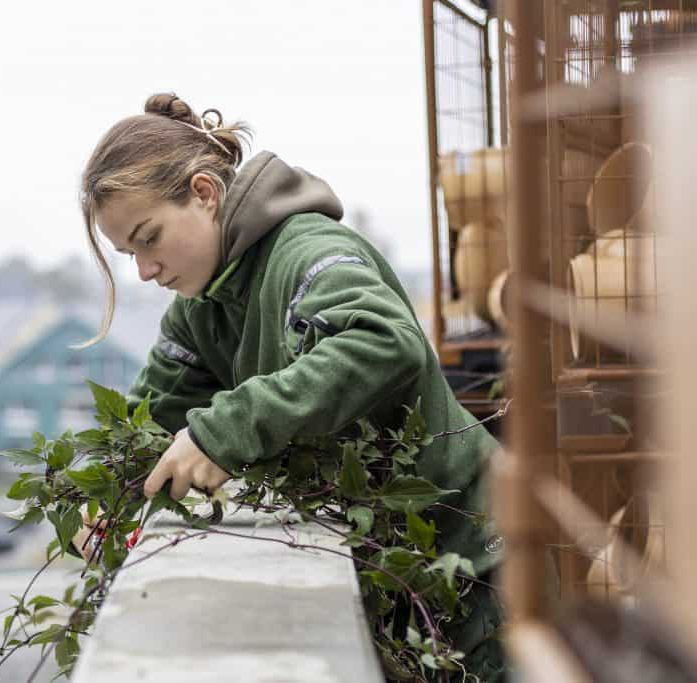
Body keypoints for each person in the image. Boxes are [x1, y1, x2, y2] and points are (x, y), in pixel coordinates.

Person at [75, 92, 505, 680]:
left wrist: (228, 428)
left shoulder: (308, 253)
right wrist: (105, 495)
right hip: (400, 574)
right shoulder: (201, 306)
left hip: (480, 562)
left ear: (204, 194)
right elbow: (154, 415)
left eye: (149, 238)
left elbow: (386, 342)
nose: (145, 270)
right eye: (129, 254)